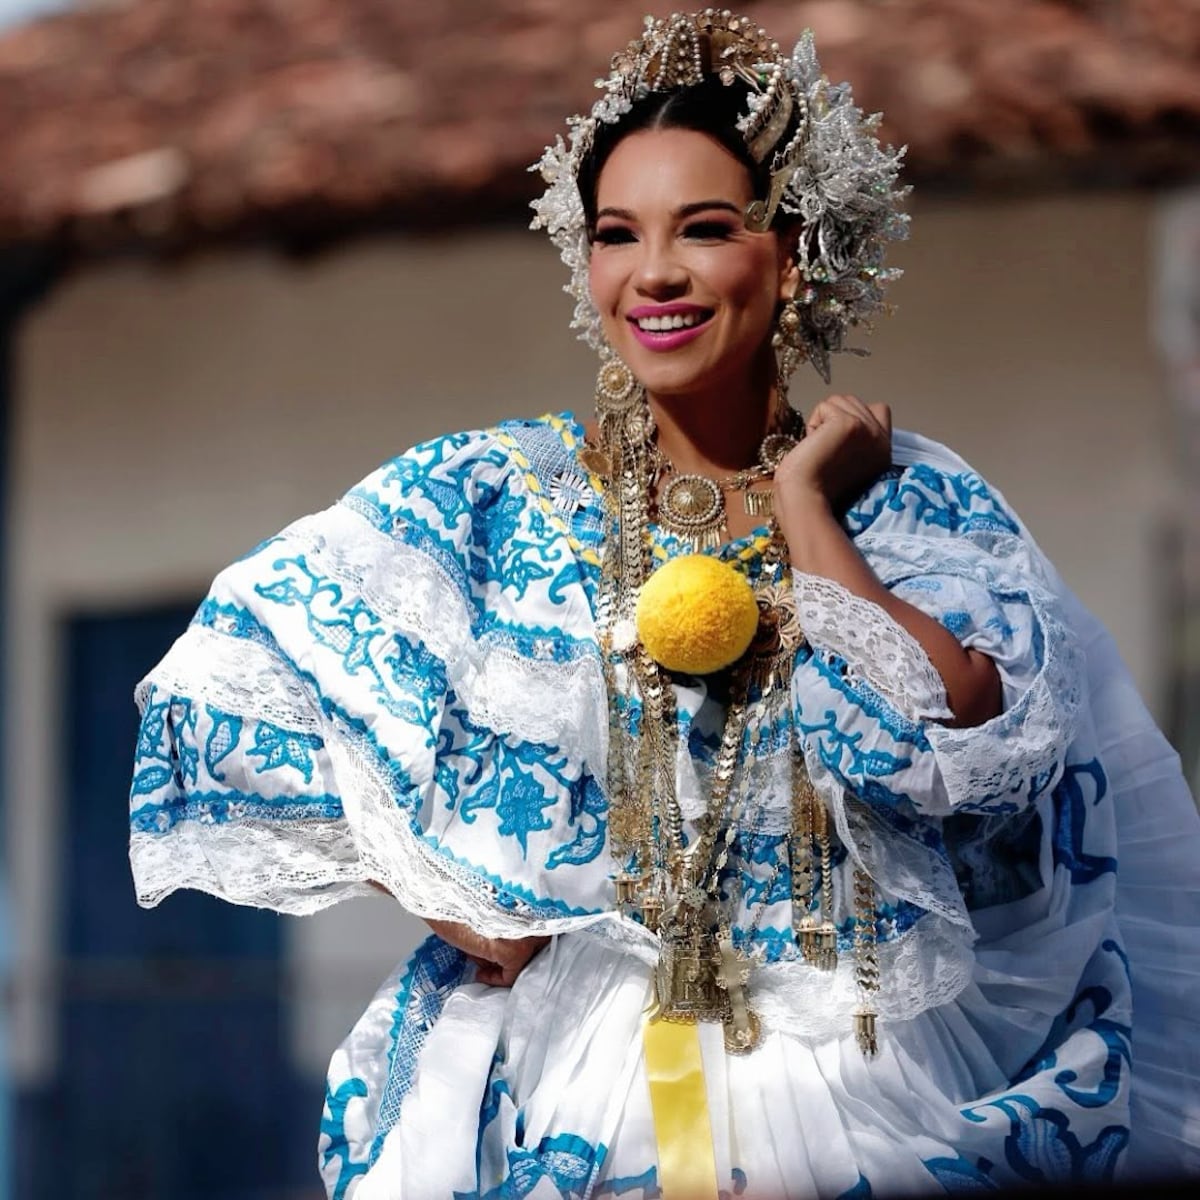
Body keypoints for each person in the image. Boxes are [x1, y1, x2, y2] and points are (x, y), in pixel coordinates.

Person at [128, 11, 1200, 1198]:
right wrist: (453, 901)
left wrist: (805, 506)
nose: (656, 275)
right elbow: (232, 682)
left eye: (705, 228)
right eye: (616, 235)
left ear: (796, 253)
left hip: (854, 1085)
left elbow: (945, 748)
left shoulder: (913, 506)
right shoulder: (500, 499)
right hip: (573, 1085)